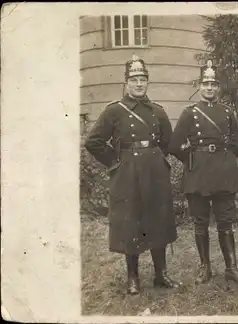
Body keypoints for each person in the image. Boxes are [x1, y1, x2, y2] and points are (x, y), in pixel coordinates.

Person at [84, 55, 182, 295]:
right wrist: (115, 163)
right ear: (126, 82)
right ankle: (133, 278)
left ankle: (161, 275)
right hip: (127, 174)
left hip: (155, 173)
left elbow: (167, 143)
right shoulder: (114, 111)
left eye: (143, 79)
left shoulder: (157, 112)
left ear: (147, 82)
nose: (139, 84)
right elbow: (93, 141)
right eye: (134, 79)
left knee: (157, 220)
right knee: (131, 222)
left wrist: (159, 162)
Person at [168, 60, 238, 285]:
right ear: (200, 86)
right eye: (206, 83)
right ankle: (205, 268)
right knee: (200, 223)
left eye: (213, 83)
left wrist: (225, 157)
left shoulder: (227, 112)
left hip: (223, 173)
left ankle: (231, 267)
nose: (210, 88)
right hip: (198, 174)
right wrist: (191, 158)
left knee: (225, 221)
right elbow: (174, 145)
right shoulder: (189, 114)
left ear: (218, 87)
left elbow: (236, 142)